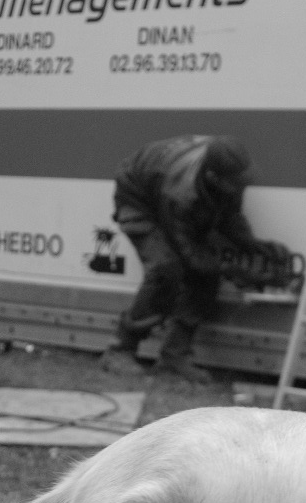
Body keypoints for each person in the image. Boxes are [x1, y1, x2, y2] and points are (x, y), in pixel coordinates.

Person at [101, 134, 294, 382]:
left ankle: (174, 356)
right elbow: (190, 257)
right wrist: (236, 271)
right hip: (138, 198)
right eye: (235, 184)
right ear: (213, 178)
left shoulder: (229, 174)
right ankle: (119, 349)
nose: (240, 188)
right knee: (165, 269)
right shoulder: (179, 194)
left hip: (167, 189)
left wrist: (254, 246)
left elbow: (230, 217)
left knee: (206, 274)